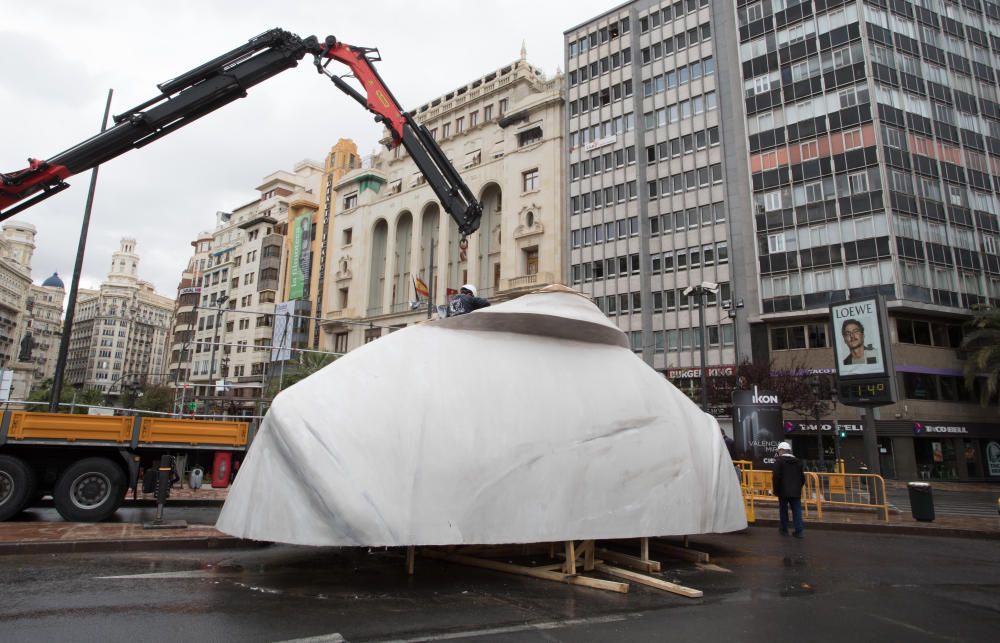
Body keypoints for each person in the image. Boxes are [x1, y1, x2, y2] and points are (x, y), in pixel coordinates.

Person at [772, 441, 805, 538]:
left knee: (783, 510)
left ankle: (784, 530)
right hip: (796, 491)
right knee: (797, 511)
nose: (778, 452)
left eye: (779, 451)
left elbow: (776, 477)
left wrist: (776, 490)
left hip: (783, 491)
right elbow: (802, 478)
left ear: (782, 450)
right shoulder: (798, 461)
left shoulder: (779, 461)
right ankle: (799, 531)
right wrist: (798, 487)